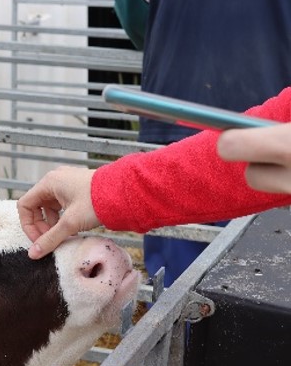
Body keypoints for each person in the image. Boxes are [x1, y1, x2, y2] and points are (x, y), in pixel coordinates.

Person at [113, 0, 291, 286]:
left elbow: (136, 17)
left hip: (177, 105)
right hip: (274, 126)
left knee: (177, 284)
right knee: (268, 281)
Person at [18, 87, 291, 259]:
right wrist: (105, 189)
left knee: (186, 265)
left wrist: (107, 188)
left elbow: (133, 17)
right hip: (245, 102)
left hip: (177, 92)